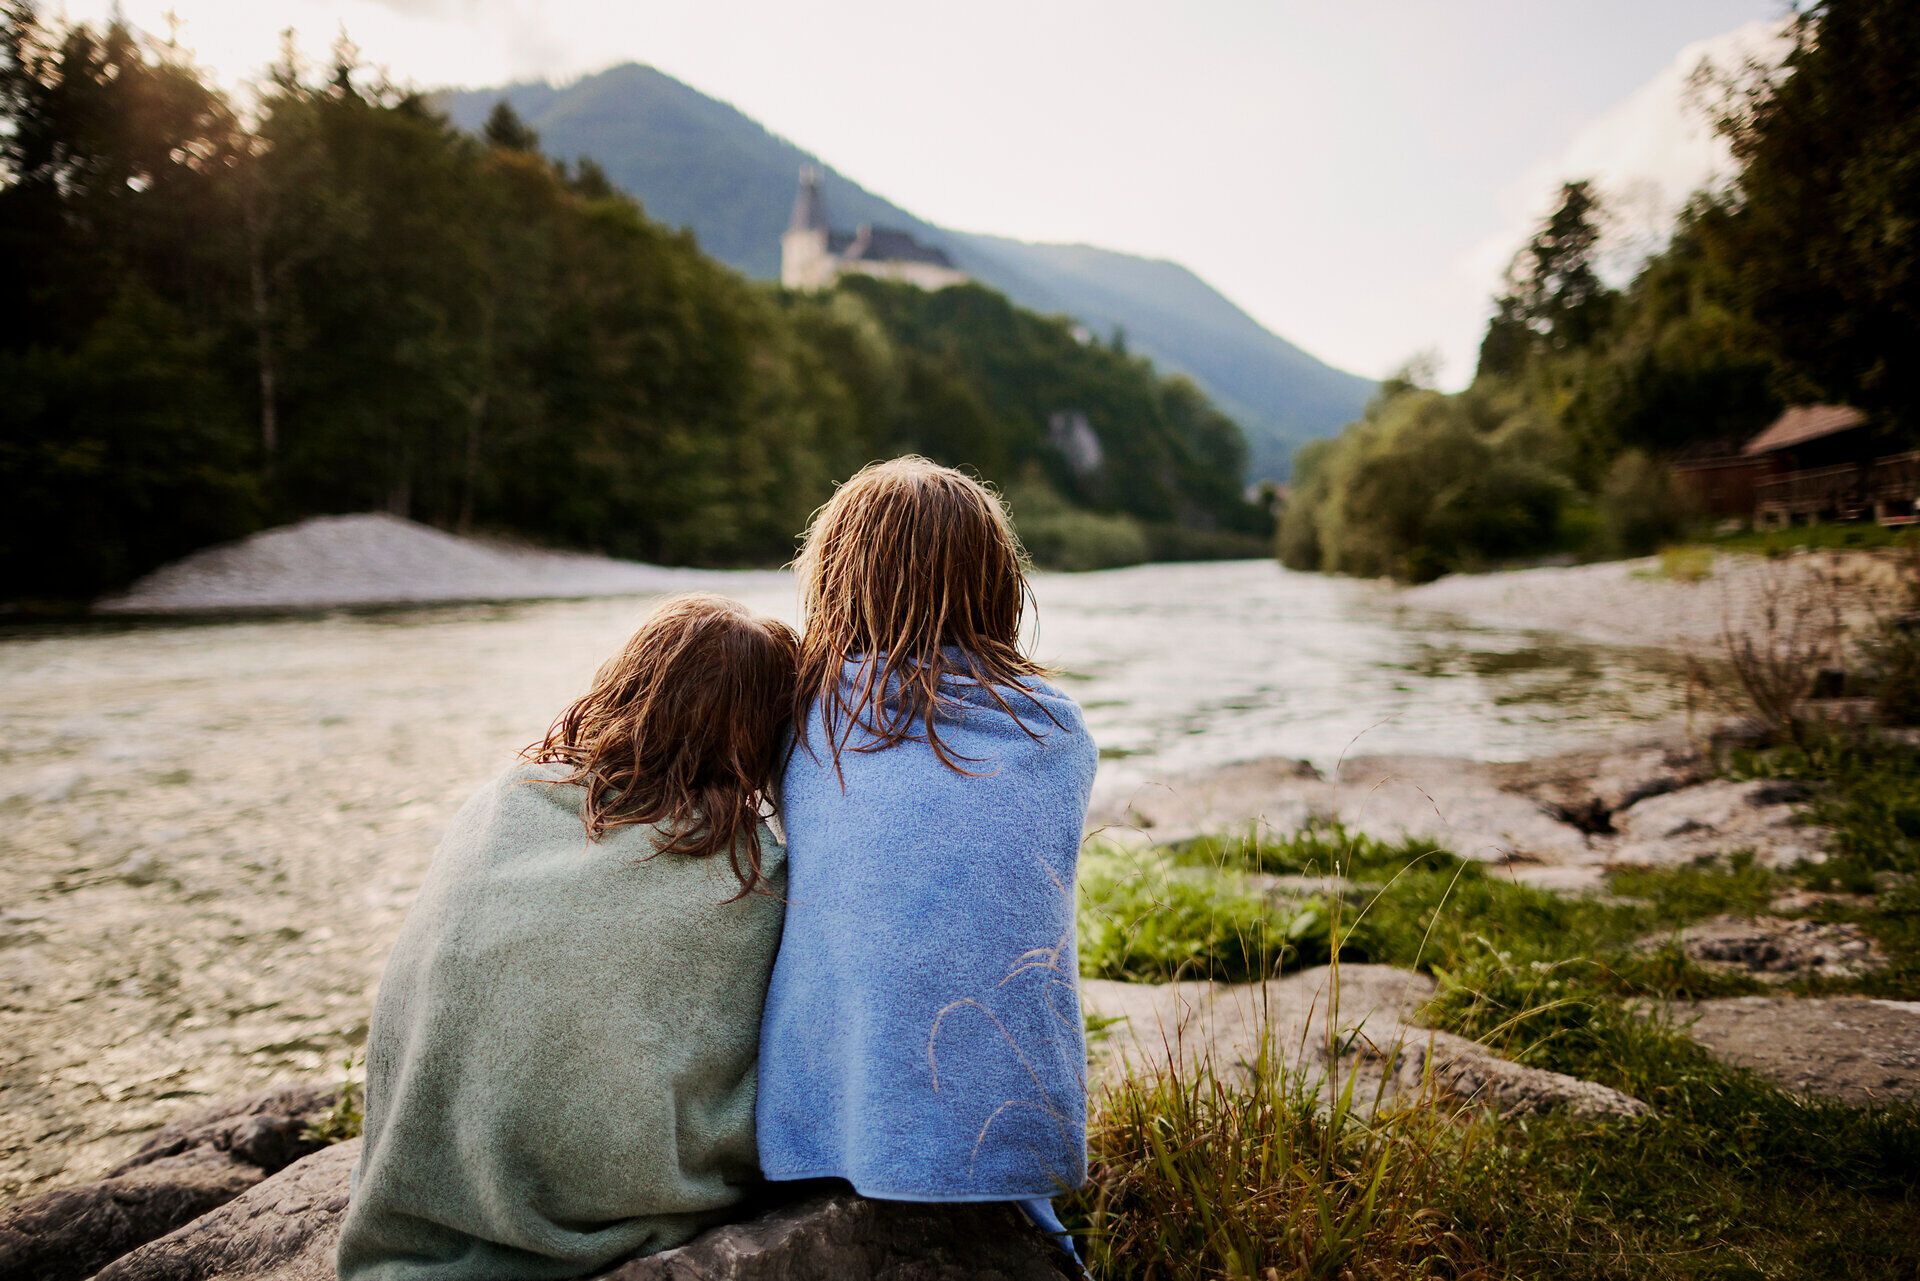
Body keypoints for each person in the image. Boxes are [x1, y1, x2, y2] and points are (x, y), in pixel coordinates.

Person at [336, 594, 799, 1281]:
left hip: (424, 1198)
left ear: (625, 685)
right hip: (601, 1203)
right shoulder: (751, 870)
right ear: (765, 735)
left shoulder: (507, 798)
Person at [756, 456, 1097, 1255]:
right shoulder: (1055, 731)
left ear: (835, 582)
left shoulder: (802, 720)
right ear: (999, 586)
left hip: (825, 1126)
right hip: (1009, 1131)